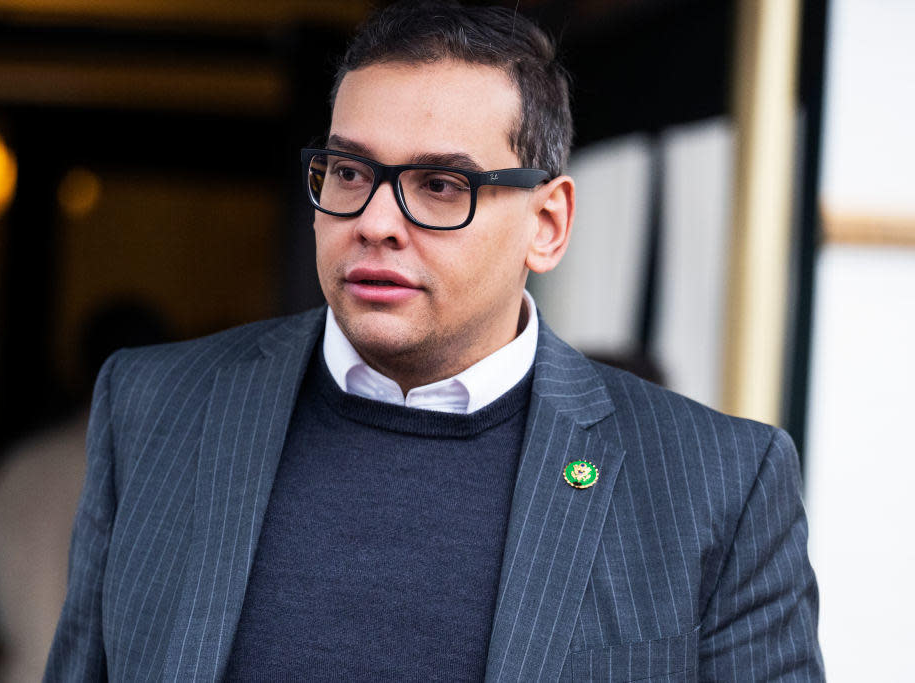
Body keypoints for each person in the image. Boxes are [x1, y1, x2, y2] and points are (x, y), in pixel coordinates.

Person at [45, 2, 823, 681]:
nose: (377, 221)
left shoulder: (713, 484)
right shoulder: (155, 407)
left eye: (440, 186)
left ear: (547, 225)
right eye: (349, 172)